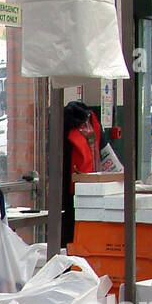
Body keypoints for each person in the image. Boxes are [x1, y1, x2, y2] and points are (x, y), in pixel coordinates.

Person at [61, 100, 103, 243]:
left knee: (72, 229)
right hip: (92, 182)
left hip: (74, 185)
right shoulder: (91, 122)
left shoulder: (66, 126)